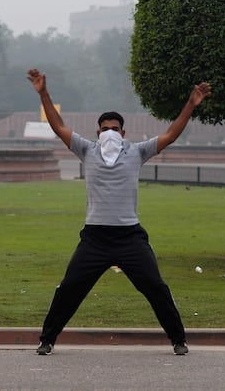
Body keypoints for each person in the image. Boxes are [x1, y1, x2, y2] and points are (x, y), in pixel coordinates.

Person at [26, 68, 211, 356]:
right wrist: (43, 93)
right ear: (97, 133)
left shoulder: (136, 151)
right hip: (95, 238)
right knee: (69, 289)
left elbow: (171, 134)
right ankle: (47, 339)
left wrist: (190, 104)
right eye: (104, 129)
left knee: (156, 288)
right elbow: (58, 125)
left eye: (114, 129)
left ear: (123, 133)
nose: (109, 133)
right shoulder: (87, 150)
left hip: (130, 238)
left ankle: (178, 340)